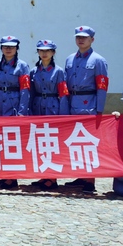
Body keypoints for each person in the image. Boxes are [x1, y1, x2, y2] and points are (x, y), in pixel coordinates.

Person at [64, 26, 108, 193]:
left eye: (84, 37)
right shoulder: (70, 59)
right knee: (75, 141)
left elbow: (102, 86)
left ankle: (90, 180)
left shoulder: (98, 60)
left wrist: (99, 110)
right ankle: (81, 175)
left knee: (88, 142)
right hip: (72, 104)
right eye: (78, 37)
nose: (81, 40)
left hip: (89, 104)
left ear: (92, 40)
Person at [29, 39, 70, 190]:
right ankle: (43, 175)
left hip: (53, 107)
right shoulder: (34, 71)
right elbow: (31, 93)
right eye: (41, 50)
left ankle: (52, 177)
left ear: (53, 52)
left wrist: (63, 116)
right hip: (38, 107)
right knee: (40, 142)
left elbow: (63, 94)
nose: (44, 53)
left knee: (52, 142)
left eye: (47, 50)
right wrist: (29, 111)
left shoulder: (59, 72)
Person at [0, 35, 31, 189]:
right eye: (5, 46)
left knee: (13, 141)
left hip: (14, 104)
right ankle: (3, 174)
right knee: (0, 141)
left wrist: (22, 111)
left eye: (12, 47)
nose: (8, 49)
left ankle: (12, 176)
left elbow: (25, 89)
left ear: (16, 49)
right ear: (1, 48)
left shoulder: (22, 66)